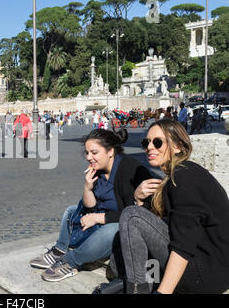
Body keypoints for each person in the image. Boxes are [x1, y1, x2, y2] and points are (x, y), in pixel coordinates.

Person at [106, 118, 229, 294]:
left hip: (206, 273)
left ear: (178, 146)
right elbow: (156, 226)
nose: (149, 147)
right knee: (117, 261)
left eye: (157, 142)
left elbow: (183, 246)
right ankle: (136, 283)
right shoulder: (176, 175)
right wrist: (139, 199)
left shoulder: (184, 178)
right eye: (146, 142)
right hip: (203, 265)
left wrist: (162, 292)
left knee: (131, 215)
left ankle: (136, 290)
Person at [30, 128, 153, 282]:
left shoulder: (129, 169)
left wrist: (97, 218)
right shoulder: (98, 170)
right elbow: (89, 207)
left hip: (125, 225)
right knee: (71, 210)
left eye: (94, 153)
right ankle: (60, 250)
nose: (89, 157)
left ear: (110, 151)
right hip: (101, 220)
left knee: (111, 230)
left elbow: (134, 214)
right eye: (87, 153)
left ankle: (70, 262)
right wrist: (87, 187)